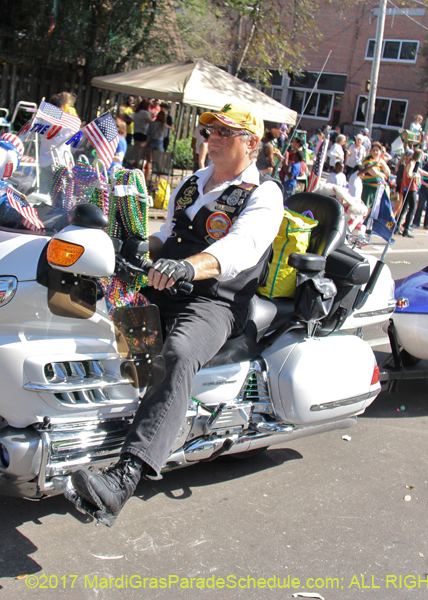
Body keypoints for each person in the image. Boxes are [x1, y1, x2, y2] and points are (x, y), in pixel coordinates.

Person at [68, 101, 283, 526]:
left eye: (225, 132)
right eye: (210, 131)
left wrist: (189, 266)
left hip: (215, 302)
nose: (213, 138)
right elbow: (166, 238)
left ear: (252, 143)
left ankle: (124, 478)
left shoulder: (263, 194)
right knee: (101, 317)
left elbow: (240, 248)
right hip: (166, 286)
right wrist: (130, 246)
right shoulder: (193, 182)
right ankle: (94, 425)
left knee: (178, 354)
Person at [397, 149, 423, 238]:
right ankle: (406, 228)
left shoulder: (413, 163)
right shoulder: (412, 163)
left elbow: (422, 172)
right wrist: (416, 175)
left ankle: (397, 226)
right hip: (410, 188)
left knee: (404, 208)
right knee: (412, 209)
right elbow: (409, 174)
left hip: (408, 188)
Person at [360, 142, 391, 211]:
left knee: (374, 210)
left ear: (380, 152)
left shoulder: (382, 161)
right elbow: (373, 172)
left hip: (379, 189)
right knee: (365, 209)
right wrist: (382, 174)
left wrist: (383, 164)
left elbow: (388, 173)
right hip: (368, 188)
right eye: (374, 150)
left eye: (377, 150)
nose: (375, 152)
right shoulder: (368, 160)